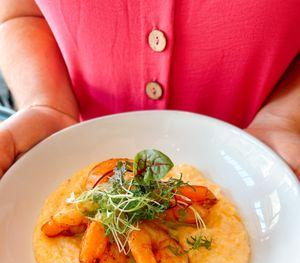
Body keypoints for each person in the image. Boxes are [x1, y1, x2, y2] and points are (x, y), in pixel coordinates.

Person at [0, 0, 299, 178]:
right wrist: (46, 102)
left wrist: (286, 118)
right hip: (72, 154)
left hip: (258, 168)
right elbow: (22, 11)